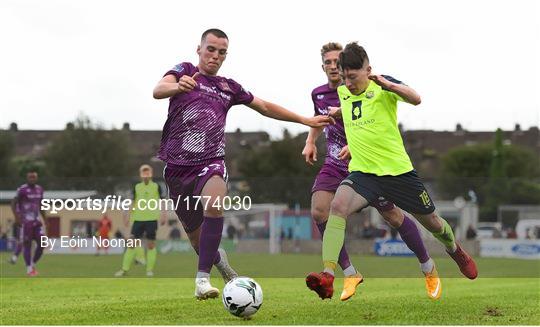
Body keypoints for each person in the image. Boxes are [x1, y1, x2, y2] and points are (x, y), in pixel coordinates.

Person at [152, 28, 333, 300]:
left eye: (221, 52)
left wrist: (305, 120)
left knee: (214, 204)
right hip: (176, 170)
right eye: (210, 49)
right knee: (196, 240)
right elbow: (158, 89)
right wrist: (177, 86)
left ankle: (202, 281)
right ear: (199, 49)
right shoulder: (184, 70)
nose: (215, 56)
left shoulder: (228, 87)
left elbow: (264, 106)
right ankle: (220, 264)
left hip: (210, 161)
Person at [307, 42, 478, 300]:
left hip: (398, 174)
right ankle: (328, 276)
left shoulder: (383, 86)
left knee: (432, 223)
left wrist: (389, 85)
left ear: (368, 70)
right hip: (364, 174)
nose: (348, 83)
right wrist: (337, 117)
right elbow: (354, 111)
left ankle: (454, 250)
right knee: (337, 206)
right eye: (344, 77)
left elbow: (416, 98)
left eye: (353, 77)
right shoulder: (343, 91)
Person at [115, 164, 166, 277]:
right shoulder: (137, 187)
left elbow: (162, 201)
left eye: (147, 172)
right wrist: (127, 215)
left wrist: (164, 214)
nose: (146, 174)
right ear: (140, 174)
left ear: (151, 174)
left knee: (151, 245)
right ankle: (124, 270)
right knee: (132, 243)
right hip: (138, 219)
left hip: (152, 219)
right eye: (143, 172)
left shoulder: (157, 186)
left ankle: (149, 270)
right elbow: (132, 202)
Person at [11, 170, 47, 276]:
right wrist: (17, 218)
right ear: (27, 178)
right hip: (25, 222)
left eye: (34, 177)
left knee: (42, 243)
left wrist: (45, 219)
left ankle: (32, 264)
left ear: (36, 178)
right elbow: (13, 203)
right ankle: (29, 269)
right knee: (26, 244)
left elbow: (41, 205)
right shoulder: (22, 190)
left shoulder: (40, 189)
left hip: (36, 221)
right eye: (30, 177)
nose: (32, 179)